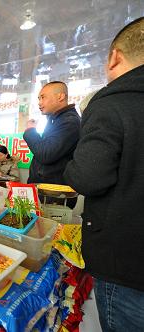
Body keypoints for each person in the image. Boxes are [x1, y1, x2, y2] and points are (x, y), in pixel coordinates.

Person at [64, 17, 144, 330]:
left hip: (127, 264)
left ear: (114, 57)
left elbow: (88, 176)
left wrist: (73, 162)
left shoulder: (113, 102)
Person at [23, 81, 80, 185]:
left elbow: (46, 153)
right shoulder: (56, 119)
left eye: (43, 97)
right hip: (45, 189)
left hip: (55, 193)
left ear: (60, 96)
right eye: (39, 99)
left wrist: (30, 131)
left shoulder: (69, 121)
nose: (39, 103)